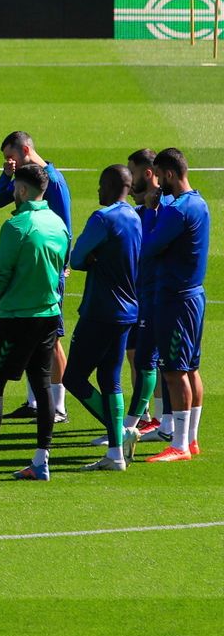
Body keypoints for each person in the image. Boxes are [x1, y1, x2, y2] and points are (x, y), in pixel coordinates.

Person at [0, 164, 70, 482]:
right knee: (42, 384)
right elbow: (63, 265)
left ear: (22, 191)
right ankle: (41, 461)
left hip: (17, 320)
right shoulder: (58, 224)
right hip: (49, 316)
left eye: (15, 188)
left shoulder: (16, 226)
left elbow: (1, 274)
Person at [0, 131, 71, 420]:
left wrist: (63, 264)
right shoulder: (24, 177)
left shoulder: (53, 180)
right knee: (33, 336)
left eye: (10, 156)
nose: (8, 162)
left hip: (49, 268)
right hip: (29, 260)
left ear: (25, 149)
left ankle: (58, 406)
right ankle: (35, 402)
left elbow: (65, 226)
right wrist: (5, 175)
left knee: (53, 337)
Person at [66, 165, 142, 471]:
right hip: (128, 311)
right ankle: (115, 455)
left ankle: (120, 433)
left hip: (101, 310)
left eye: (100, 185)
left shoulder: (103, 218)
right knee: (110, 379)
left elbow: (76, 257)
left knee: (73, 377)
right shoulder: (135, 217)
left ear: (112, 186)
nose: (97, 191)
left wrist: (92, 259)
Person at [141, 148, 209, 463]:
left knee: (174, 372)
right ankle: (190, 440)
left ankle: (179, 445)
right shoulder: (198, 202)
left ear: (168, 174)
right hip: (193, 296)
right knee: (191, 368)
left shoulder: (175, 211)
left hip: (175, 299)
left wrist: (153, 210)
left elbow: (150, 246)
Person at [125, 149, 170, 444]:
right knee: (136, 356)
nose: (129, 179)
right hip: (139, 294)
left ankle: (161, 421)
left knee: (156, 361)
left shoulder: (165, 209)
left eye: (134, 172)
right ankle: (150, 418)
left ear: (149, 174)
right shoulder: (144, 209)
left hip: (157, 295)